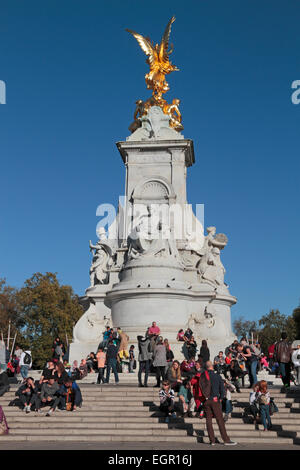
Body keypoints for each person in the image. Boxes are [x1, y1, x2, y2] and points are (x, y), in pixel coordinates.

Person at [201, 361, 237, 446]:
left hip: (206, 400)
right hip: (215, 400)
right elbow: (222, 389)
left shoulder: (202, 376)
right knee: (220, 420)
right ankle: (226, 440)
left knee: (208, 420)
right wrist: (220, 398)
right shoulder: (217, 376)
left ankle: (212, 440)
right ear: (212, 366)